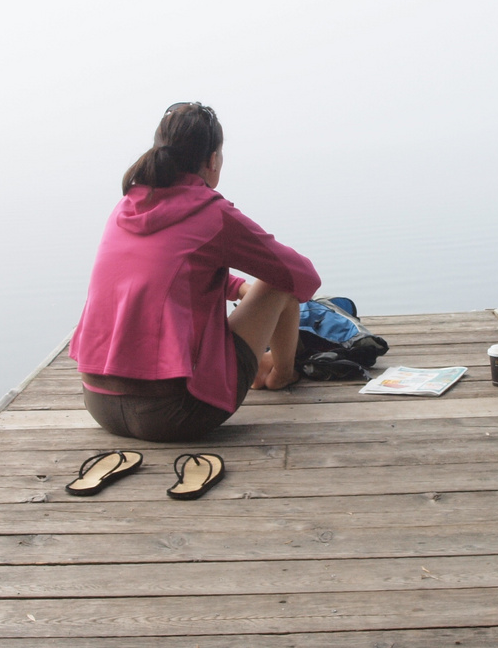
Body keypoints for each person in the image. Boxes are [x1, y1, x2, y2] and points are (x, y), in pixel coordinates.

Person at [68, 102, 320, 441]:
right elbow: (301, 276)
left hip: (100, 406)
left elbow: (165, 271)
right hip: (176, 414)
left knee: (263, 289)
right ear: (212, 160)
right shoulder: (211, 213)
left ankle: (261, 364)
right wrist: (253, 291)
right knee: (278, 285)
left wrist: (236, 287)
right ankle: (281, 375)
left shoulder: (126, 206)